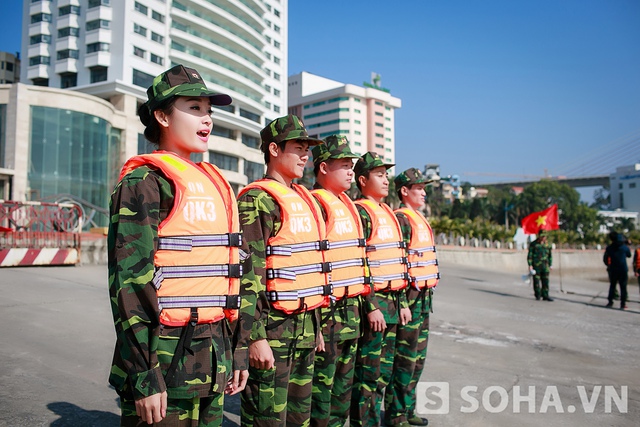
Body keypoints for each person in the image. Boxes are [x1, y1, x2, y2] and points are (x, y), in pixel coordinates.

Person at [108, 64, 252, 426]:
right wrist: (144, 375)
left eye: (208, 111)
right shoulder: (146, 181)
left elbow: (234, 275)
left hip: (214, 353)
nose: (207, 120)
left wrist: (238, 350)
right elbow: (130, 286)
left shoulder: (215, 181)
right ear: (162, 115)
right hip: (164, 357)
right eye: (194, 108)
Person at [237, 114, 329, 427]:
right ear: (274, 149)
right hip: (272, 334)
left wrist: (315, 326)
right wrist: (254, 337)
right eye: (298, 147)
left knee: (299, 419)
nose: (306, 155)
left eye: (308, 149)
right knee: (267, 419)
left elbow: (307, 268)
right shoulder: (258, 199)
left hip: (304, 332)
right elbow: (248, 276)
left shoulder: (304, 198)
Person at [309, 135, 371, 427]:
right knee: (320, 393)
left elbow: (360, 260)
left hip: (351, 313)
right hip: (327, 314)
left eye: (351, 165)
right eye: (344, 165)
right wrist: (315, 324)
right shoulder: (315, 205)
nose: (350, 171)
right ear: (323, 168)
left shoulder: (349, 205)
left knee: (342, 393)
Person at [350, 151, 411, 427]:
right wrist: (371, 305)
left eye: (386, 174)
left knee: (383, 373)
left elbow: (396, 263)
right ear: (363, 180)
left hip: (393, 305)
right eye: (379, 174)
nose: (386, 179)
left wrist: (403, 304)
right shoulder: (361, 211)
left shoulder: (388, 212)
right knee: (367, 376)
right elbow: (360, 262)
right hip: (375, 306)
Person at [385, 168, 439, 427]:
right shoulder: (403, 219)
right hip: (410, 298)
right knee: (404, 360)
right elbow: (399, 262)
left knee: (417, 359)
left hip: (424, 298)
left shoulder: (418, 218)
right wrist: (402, 303)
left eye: (424, 188)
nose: (424, 192)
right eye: (419, 188)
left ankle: (408, 409)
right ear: (404, 191)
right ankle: (395, 414)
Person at [603, 231, 631, 309]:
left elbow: (605, 258)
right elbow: (629, 255)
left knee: (612, 286)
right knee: (623, 287)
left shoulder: (609, 248)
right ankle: (623, 304)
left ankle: (610, 302)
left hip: (613, 269)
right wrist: (627, 244)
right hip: (623, 269)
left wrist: (608, 265)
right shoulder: (624, 247)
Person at [527, 231, 553, 301]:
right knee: (536, 281)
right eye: (542, 236)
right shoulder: (533, 244)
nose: (543, 238)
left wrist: (551, 265)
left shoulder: (548, 245)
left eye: (544, 236)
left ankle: (545, 295)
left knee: (546, 281)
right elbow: (530, 255)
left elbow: (550, 256)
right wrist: (530, 265)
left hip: (545, 266)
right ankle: (537, 294)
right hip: (536, 266)